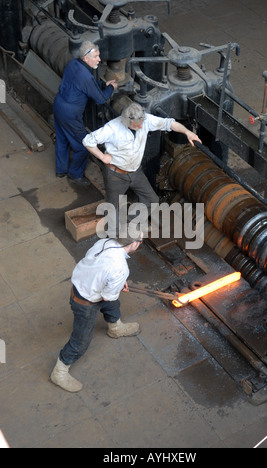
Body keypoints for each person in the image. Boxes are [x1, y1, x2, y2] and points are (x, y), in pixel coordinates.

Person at [50, 235, 142, 393]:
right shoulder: (120, 267)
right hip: (85, 302)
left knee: (113, 304)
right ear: (134, 244)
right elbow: (107, 296)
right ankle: (59, 372)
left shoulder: (104, 242)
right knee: (81, 340)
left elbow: (98, 268)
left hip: (81, 285)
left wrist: (117, 283)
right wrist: (117, 284)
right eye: (140, 242)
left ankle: (115, 328)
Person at [82, 102, 202, 210]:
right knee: (113, 207)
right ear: (127, 122)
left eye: (142, 123)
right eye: (136, 125)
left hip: (136, 172)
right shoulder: (112, 129)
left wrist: (188, 132)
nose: (141, 127)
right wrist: (102, 157)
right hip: (116, 174)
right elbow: (88, 141)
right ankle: (112, 233)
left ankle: (133, 222)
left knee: (152, 201)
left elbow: (169, 123)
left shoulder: (145, 120)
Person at [53, 41, 118, 186]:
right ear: (85, 58)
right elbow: (100, 99)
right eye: (96, 56)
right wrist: (111, 88)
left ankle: (60, 170)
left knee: (62, 139)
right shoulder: (85, 76)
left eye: (99, 56)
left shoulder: (72, 64)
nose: (99, 60)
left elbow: (85, 84)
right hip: (71, 114)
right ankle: (75, 175)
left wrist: (102, 85)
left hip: (58, 105)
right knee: (85, 145)